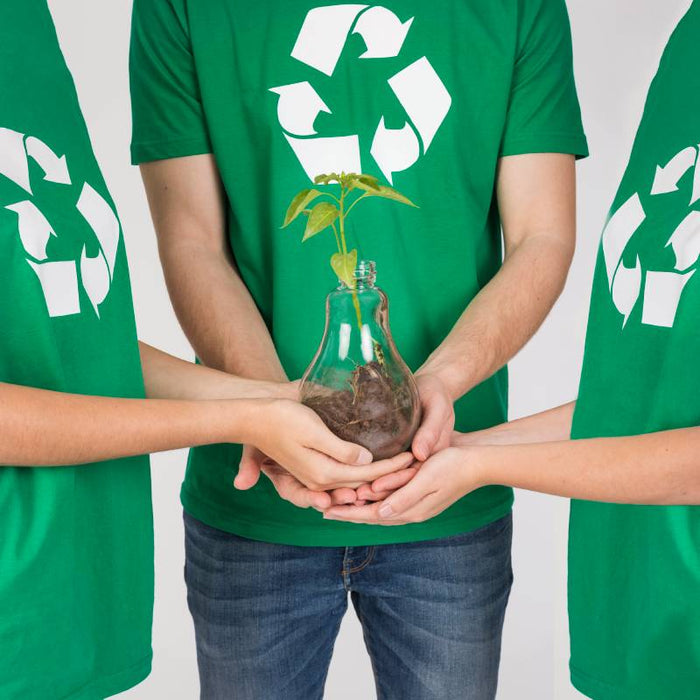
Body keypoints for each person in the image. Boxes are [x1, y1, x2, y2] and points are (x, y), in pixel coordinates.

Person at [129, 0, 587, 696]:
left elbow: (541, 236)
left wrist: (436, 385)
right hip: (255, 492)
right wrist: (280, 414)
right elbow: (191, 241)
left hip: (447, 477)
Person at [0, 3, 409, 699]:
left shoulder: (24, 25)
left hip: (73, 593)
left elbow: (63, 340)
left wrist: (274, 401)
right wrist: (238, 421)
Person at [326, 4, 700, 699]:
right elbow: (648, 400)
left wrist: (481, 463)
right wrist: (461, 448)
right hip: (646, 611)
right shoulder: (690, 46)